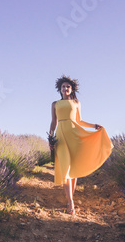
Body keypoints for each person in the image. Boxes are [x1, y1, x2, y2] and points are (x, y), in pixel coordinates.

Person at [48, 75, 113, 215]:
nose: (65, 88)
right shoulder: (55, 104)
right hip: (61, 136)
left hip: (74, 135)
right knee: (65, 167)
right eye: (63, 86)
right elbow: (53, 122)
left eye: (68, 87)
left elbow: (80, 121)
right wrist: (50, 137)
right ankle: (70, 202)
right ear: (60, 89)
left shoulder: (76, 103)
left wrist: (94, 126)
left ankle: (70, 199)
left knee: (74, 168)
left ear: (71, 90)